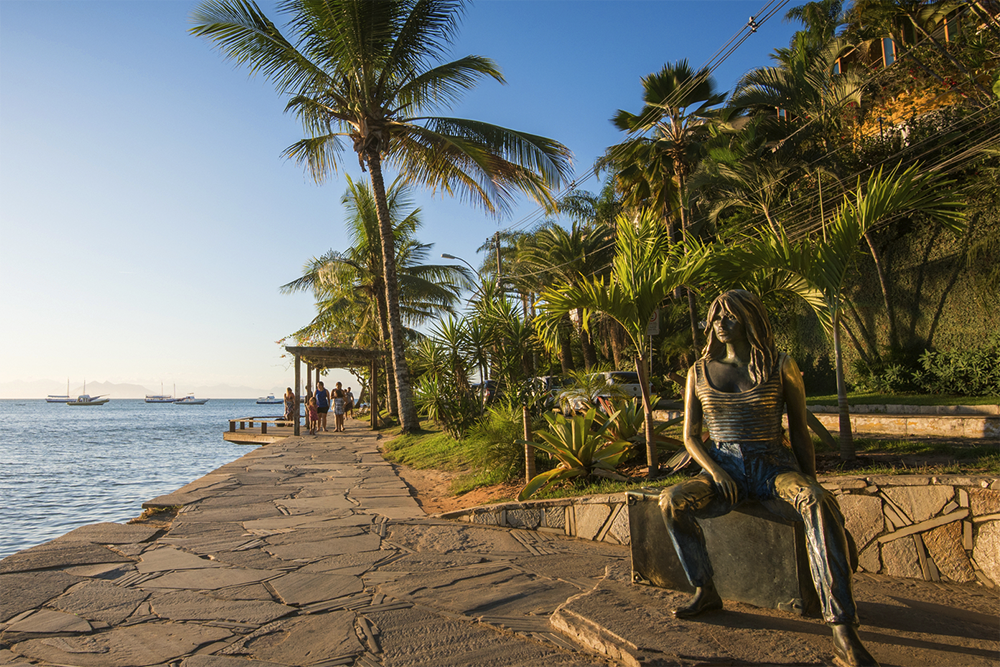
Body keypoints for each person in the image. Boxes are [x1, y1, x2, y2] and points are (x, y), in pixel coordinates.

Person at [658, 290, 878, 667]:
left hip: (773, 466)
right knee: (671, 501)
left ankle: (843, 629)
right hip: (722, 468)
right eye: (715, 318)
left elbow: (800, 431)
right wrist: (715, 470)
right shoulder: (698, 372)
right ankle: (704, 588)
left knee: (815, 501)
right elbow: (691, 436)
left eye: (729, 316)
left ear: (750, 319)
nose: (720, 324)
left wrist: (812, 484)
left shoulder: (780, 365)